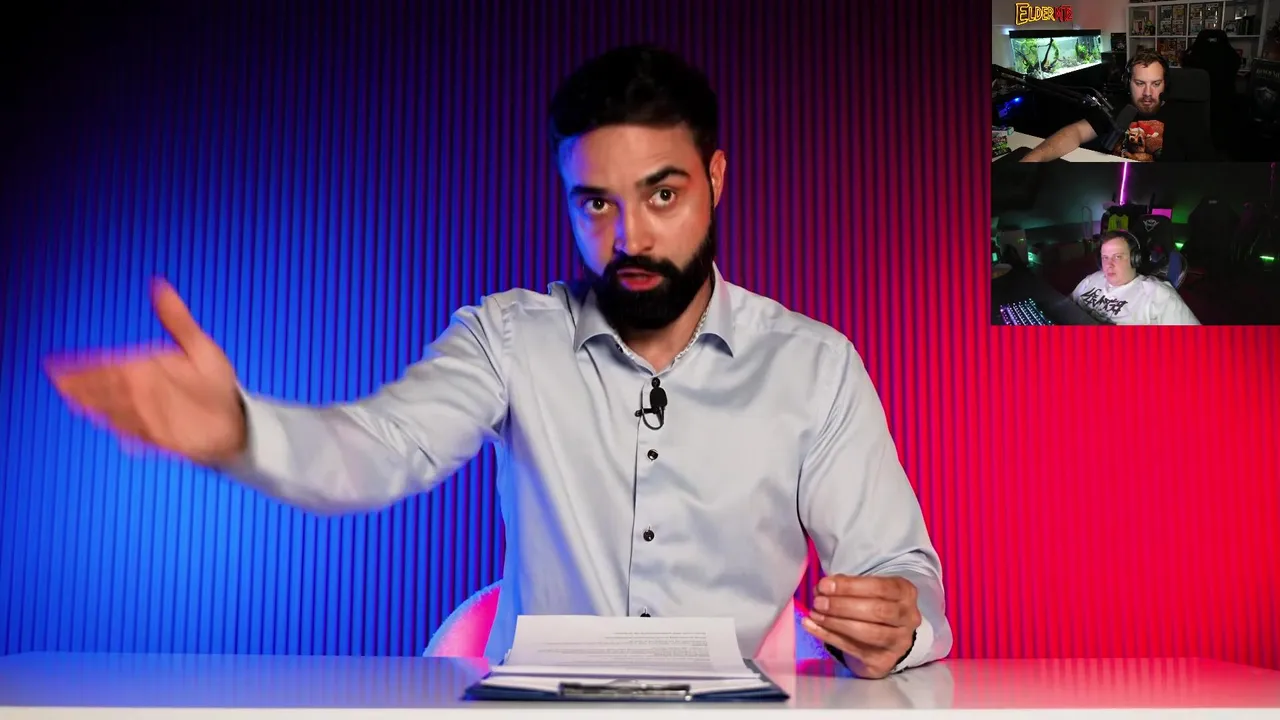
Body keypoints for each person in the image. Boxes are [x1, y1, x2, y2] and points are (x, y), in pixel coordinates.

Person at [43, 44, 951, 678]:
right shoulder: (508, 336)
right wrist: (243, 430)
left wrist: (897, 625)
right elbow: (381, 447)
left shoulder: (815, 366)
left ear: (715, 179)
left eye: (662, 194)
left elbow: (903, 571)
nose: (629, 238)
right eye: (595, 203)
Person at [1021, 51, 1217, 162]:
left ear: (1165, 84)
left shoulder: (1185, 116)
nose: (1148, 93)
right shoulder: (1115, 106)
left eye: (1156, 84)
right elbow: (1076, 132)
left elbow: (1206, 168)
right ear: (1127, 83)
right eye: (1140, 83)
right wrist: (1032, 160)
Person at [1072, 231, 1201, 325]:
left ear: (1135, 259)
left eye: (1117, 257)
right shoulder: (1092, 279)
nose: (1108, 265)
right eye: (1105, 257)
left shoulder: (1159, 295)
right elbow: (1065, 308)